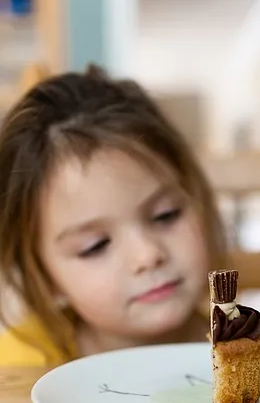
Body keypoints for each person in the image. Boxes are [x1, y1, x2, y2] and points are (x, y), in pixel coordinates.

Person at [0, 65, 225, 366]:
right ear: (43, 276)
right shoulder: (16, 370)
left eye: (165, 215)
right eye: (95, 245)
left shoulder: (241, 346)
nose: (147, 255)